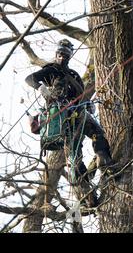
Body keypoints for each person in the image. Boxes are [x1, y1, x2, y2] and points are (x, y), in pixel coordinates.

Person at [25, 39, 114, 206]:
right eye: (60, 53)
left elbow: (82, 95)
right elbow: (29, 79)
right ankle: (87, 193)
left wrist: (89, 104)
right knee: (74, 155)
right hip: (62, 116)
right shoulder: (51, 71)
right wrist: (40, 87)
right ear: (56, 54)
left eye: (65, 54)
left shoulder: (74, 75)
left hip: (78, 111)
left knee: (98, 134)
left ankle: (104, 160)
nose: (62, 57)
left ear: (69, 55)